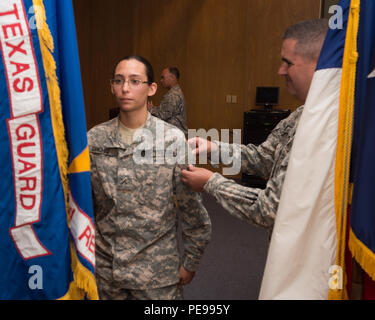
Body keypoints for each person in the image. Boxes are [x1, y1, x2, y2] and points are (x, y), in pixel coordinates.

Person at [181, 19, 328, 233]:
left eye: (288, 63)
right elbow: (264, 158)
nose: (280, 70)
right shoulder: (301, 115)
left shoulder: (326, 127)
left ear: (319, 64)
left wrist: (211, 183)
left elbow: (269, 209)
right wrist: (214, 149)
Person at [87, 55, 211, 300]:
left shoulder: (172, 140)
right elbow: (84, 205)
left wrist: (191, 260)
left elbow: (192, 209)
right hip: (106, 272)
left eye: (135, 81)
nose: (125, 88)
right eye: (119, 81)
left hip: (156, 274)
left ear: (151, 88)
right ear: (111, 86)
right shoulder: (94, 139)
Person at [148, 67, 188, 136]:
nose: (161, 80)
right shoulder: (174, 92)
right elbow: (166, 111)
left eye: (163, 77)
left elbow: (163, 115)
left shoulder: (173, 95)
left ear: (172, 77)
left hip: (174, 136)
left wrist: (150, 109)